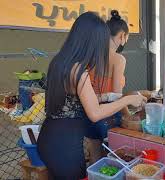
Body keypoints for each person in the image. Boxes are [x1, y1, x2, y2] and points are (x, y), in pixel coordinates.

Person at [37, 12, 146, 179]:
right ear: (91, 41)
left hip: (48, 137)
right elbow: (95, 113)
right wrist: (128, 99)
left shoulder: (60, 61)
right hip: (65, 145)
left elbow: (76, 99)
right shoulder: (79, 71)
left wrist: (109, 96)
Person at [85, 10, 131, 164]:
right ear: (122, 36)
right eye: (126, 37)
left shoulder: (90, 55)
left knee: (95, 156)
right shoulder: (118, 59)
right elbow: (117, 94)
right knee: (112, 158)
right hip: (108, 115)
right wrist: (127, 113)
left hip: (89, 111)